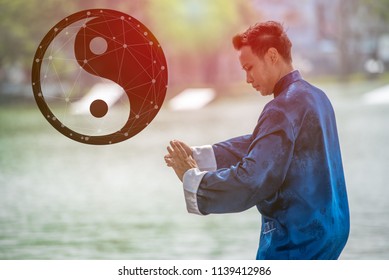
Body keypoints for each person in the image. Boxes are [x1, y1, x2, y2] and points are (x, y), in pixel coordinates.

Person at [164, 21, 350, 260]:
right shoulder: (316, 97)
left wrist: (194, 179)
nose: (248, 78)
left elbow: (251, 181)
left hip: (296, 243)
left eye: (249, 67)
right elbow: (265, 144)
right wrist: (200, 157)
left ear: (272, 56)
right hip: (328, 235)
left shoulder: (281, 108)